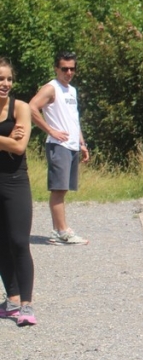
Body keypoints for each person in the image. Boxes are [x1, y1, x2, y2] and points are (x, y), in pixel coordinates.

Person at [28, 51, 89, 246]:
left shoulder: (71, 90)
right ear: (57, 69)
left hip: (71, 144)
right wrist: (50, 130)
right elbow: (31, 107)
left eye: (72, 68)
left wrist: (82, 143)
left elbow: (74, 118)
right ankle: (62, 232)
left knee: (63, 190)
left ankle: (59, 230)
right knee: (58, 189)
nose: (69, 72)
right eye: (64, 68)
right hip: (58, 145)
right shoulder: (51, 88)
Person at [0, 58, 37, 325]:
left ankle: (26, 305)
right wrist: (6, 139)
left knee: (19, 241)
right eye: (1, 79)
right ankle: (11, 298)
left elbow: (19, 148)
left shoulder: (21, 108)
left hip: (15, 181)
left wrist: (11, 143)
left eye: (9, 79)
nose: (5, 84)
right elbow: (10, 143)